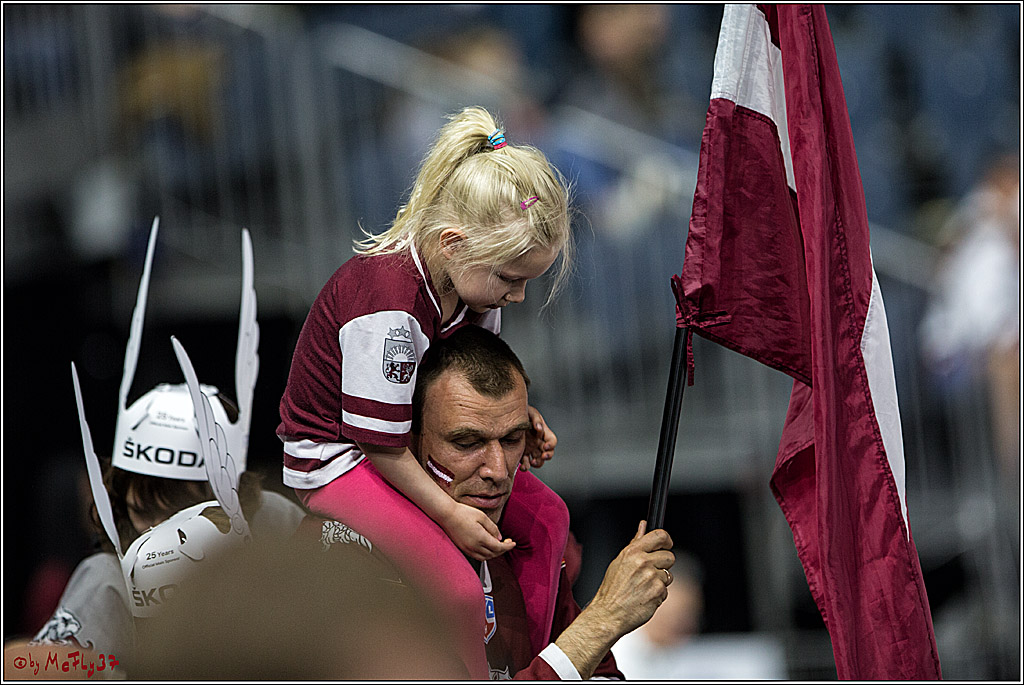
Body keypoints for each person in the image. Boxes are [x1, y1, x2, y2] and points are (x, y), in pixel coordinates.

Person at [277, 105, 574, 677]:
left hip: (391, 435)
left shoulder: (473, 286)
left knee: (549, 518)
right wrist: (448, 514)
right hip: (336, 457)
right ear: (453, 243)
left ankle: (528, 665)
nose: (516, 296)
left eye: (527, 282)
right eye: (510, 279)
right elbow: (381, 445)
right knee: (460, 590)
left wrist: (522, 419)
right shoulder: (387, 303)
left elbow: (466, 381)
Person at [31, 221, 304, 671]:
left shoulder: (275, 523)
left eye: (180, 513)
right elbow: (35, 674)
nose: (158, 536)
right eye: (143, 513)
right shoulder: (106, 584)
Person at [407, 325, 675, 678]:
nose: (498, 470)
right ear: (408, 437)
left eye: (512, 439)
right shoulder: (358, 561)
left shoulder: (533, 532)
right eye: (466, 442)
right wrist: (603, 620)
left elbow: (601, 674)